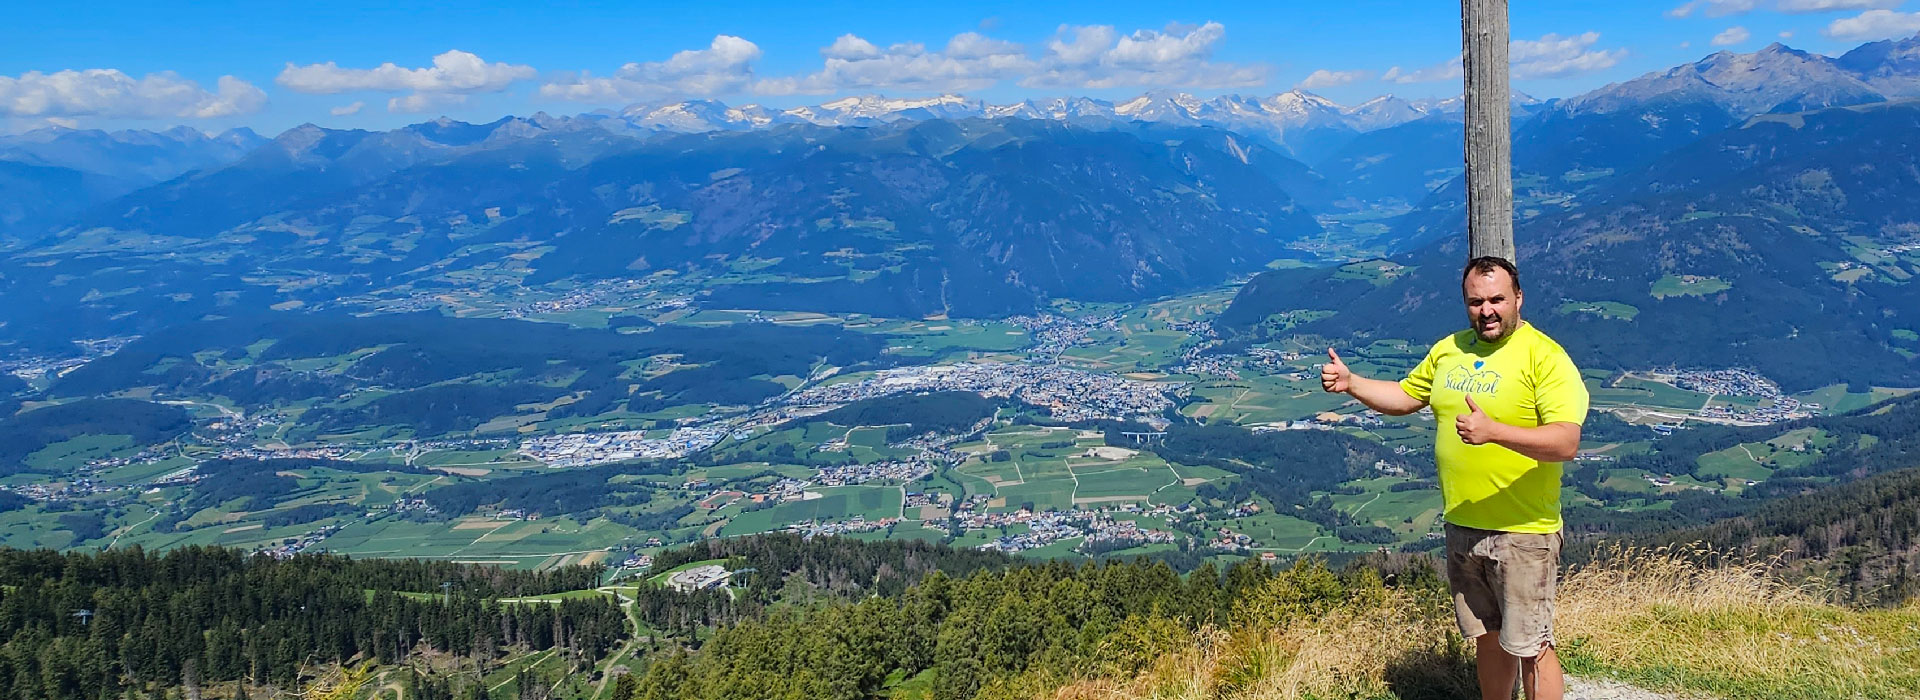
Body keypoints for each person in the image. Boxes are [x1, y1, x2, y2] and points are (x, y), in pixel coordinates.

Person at [1320, 256, 1588, 700]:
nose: (1487, 310)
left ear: (1518, 298)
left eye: (1497, 299)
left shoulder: (1545, 356)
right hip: (1463, 525)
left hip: (1523, 531)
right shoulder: (1450, 350)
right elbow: (1406, 396)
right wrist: (1352, 383)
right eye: (1476, 302)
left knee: (1532, 646)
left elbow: (1566, 442)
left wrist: (1494, 432)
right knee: (1487, 634)